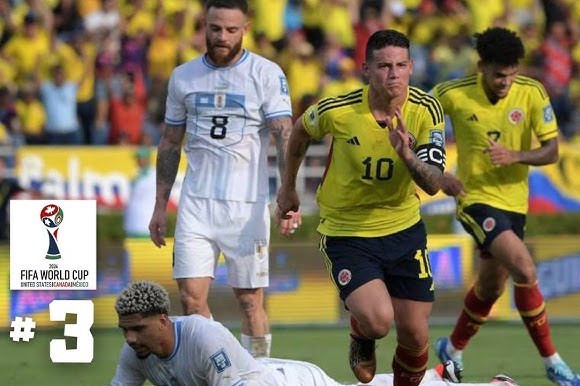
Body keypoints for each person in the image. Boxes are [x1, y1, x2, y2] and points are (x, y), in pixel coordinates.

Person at [276, 30, 446, 386]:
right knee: (379, 321)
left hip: (403, 229)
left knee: (415, 337)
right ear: (367, 69)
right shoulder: (338, 110)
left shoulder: (427, 110)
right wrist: (288, 187)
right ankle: (361, 333)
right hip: (347, 232)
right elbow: (299, 133)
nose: (394, 74)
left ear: (412, 67)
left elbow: (432, 183)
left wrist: (406, 154)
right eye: (384, 66)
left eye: (401, 65)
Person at [430, 27, 580, 386]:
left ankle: (451, 349)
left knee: (490, 289)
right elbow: (417, 121)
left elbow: (552, 150)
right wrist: (438, 174)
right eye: (499, 75)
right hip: (475, 198)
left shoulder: (531, 93)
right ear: (481, 66)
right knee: (525, 269)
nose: (506, 82)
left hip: (515, 203)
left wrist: (515, 155)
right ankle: (552, 361)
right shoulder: (453, 94)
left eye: (512, 74)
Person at [147, 0, 300, 358]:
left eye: (231, 30)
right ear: (204, 25)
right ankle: (219, 370)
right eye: (215, 28)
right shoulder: (183, 76)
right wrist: (159, 206)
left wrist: (287, 196)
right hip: (196, 205)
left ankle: (258, 375)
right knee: (190, 301)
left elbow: (285, 136)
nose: (222, 36)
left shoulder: (265, 73)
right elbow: (170, 141)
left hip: (245, 207)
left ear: (245, 26)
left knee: (249, 303)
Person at [110, 280, 520, 386]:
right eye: (125, 331)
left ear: (163, 320)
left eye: (138, 329)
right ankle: (432, 377)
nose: (130, 339)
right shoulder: (136, 353)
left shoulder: (202, 336)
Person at [124, 147, 156, 238]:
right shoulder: (137, 175)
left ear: (146, 159)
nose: (137, 161)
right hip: (132, 223)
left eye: (139, 158)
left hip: (145, 223)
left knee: (143, 250)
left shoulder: (154, 175)